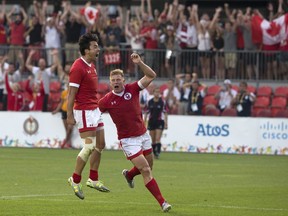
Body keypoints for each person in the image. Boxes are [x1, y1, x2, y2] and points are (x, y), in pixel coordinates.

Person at [98, 53, 172, 212]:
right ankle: (163, 202)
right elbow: (94, 113)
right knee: (145, 170)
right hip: (128, 140)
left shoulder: (133, 88)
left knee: (149, 166)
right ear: (110, 83)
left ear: (123, 80)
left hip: (143, 135)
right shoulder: (106, 100)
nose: (116, 82)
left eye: (119, 79)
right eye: (113, 80)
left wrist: (140, 63)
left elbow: (151, 75)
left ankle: (130, 175)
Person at [66, 32, 110, 200]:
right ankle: (75, 179)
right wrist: (69, 114)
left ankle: (93, 178)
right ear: (86, 50)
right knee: (89, 146)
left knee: (101, 144)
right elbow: (71, 94)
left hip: (94, 109)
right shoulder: (78, 67)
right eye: (95, 46)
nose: (98, 49)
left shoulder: (91, 65)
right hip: (84, 111)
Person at [144, 86, 168, 159]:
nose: (157, 93)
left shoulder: (162, 102)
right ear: (153, 93)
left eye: (158, 92)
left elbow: (165, 113)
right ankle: (154, 153)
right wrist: (144, 122)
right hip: (151, 121)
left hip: (160, 121)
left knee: (158, 138)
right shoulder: (150, 102)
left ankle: (158, 152)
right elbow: (146, 113)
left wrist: (166, 123)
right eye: (156, 92)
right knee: (153, 139)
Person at [52, 83, 73, 149]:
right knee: (67, 129)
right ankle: (68, 142)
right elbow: (61, 102)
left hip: (72, 111)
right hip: (64, 111)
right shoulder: (64, 93)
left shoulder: (75, 93)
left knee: (70, 128)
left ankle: (64, 142)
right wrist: (56, 110)